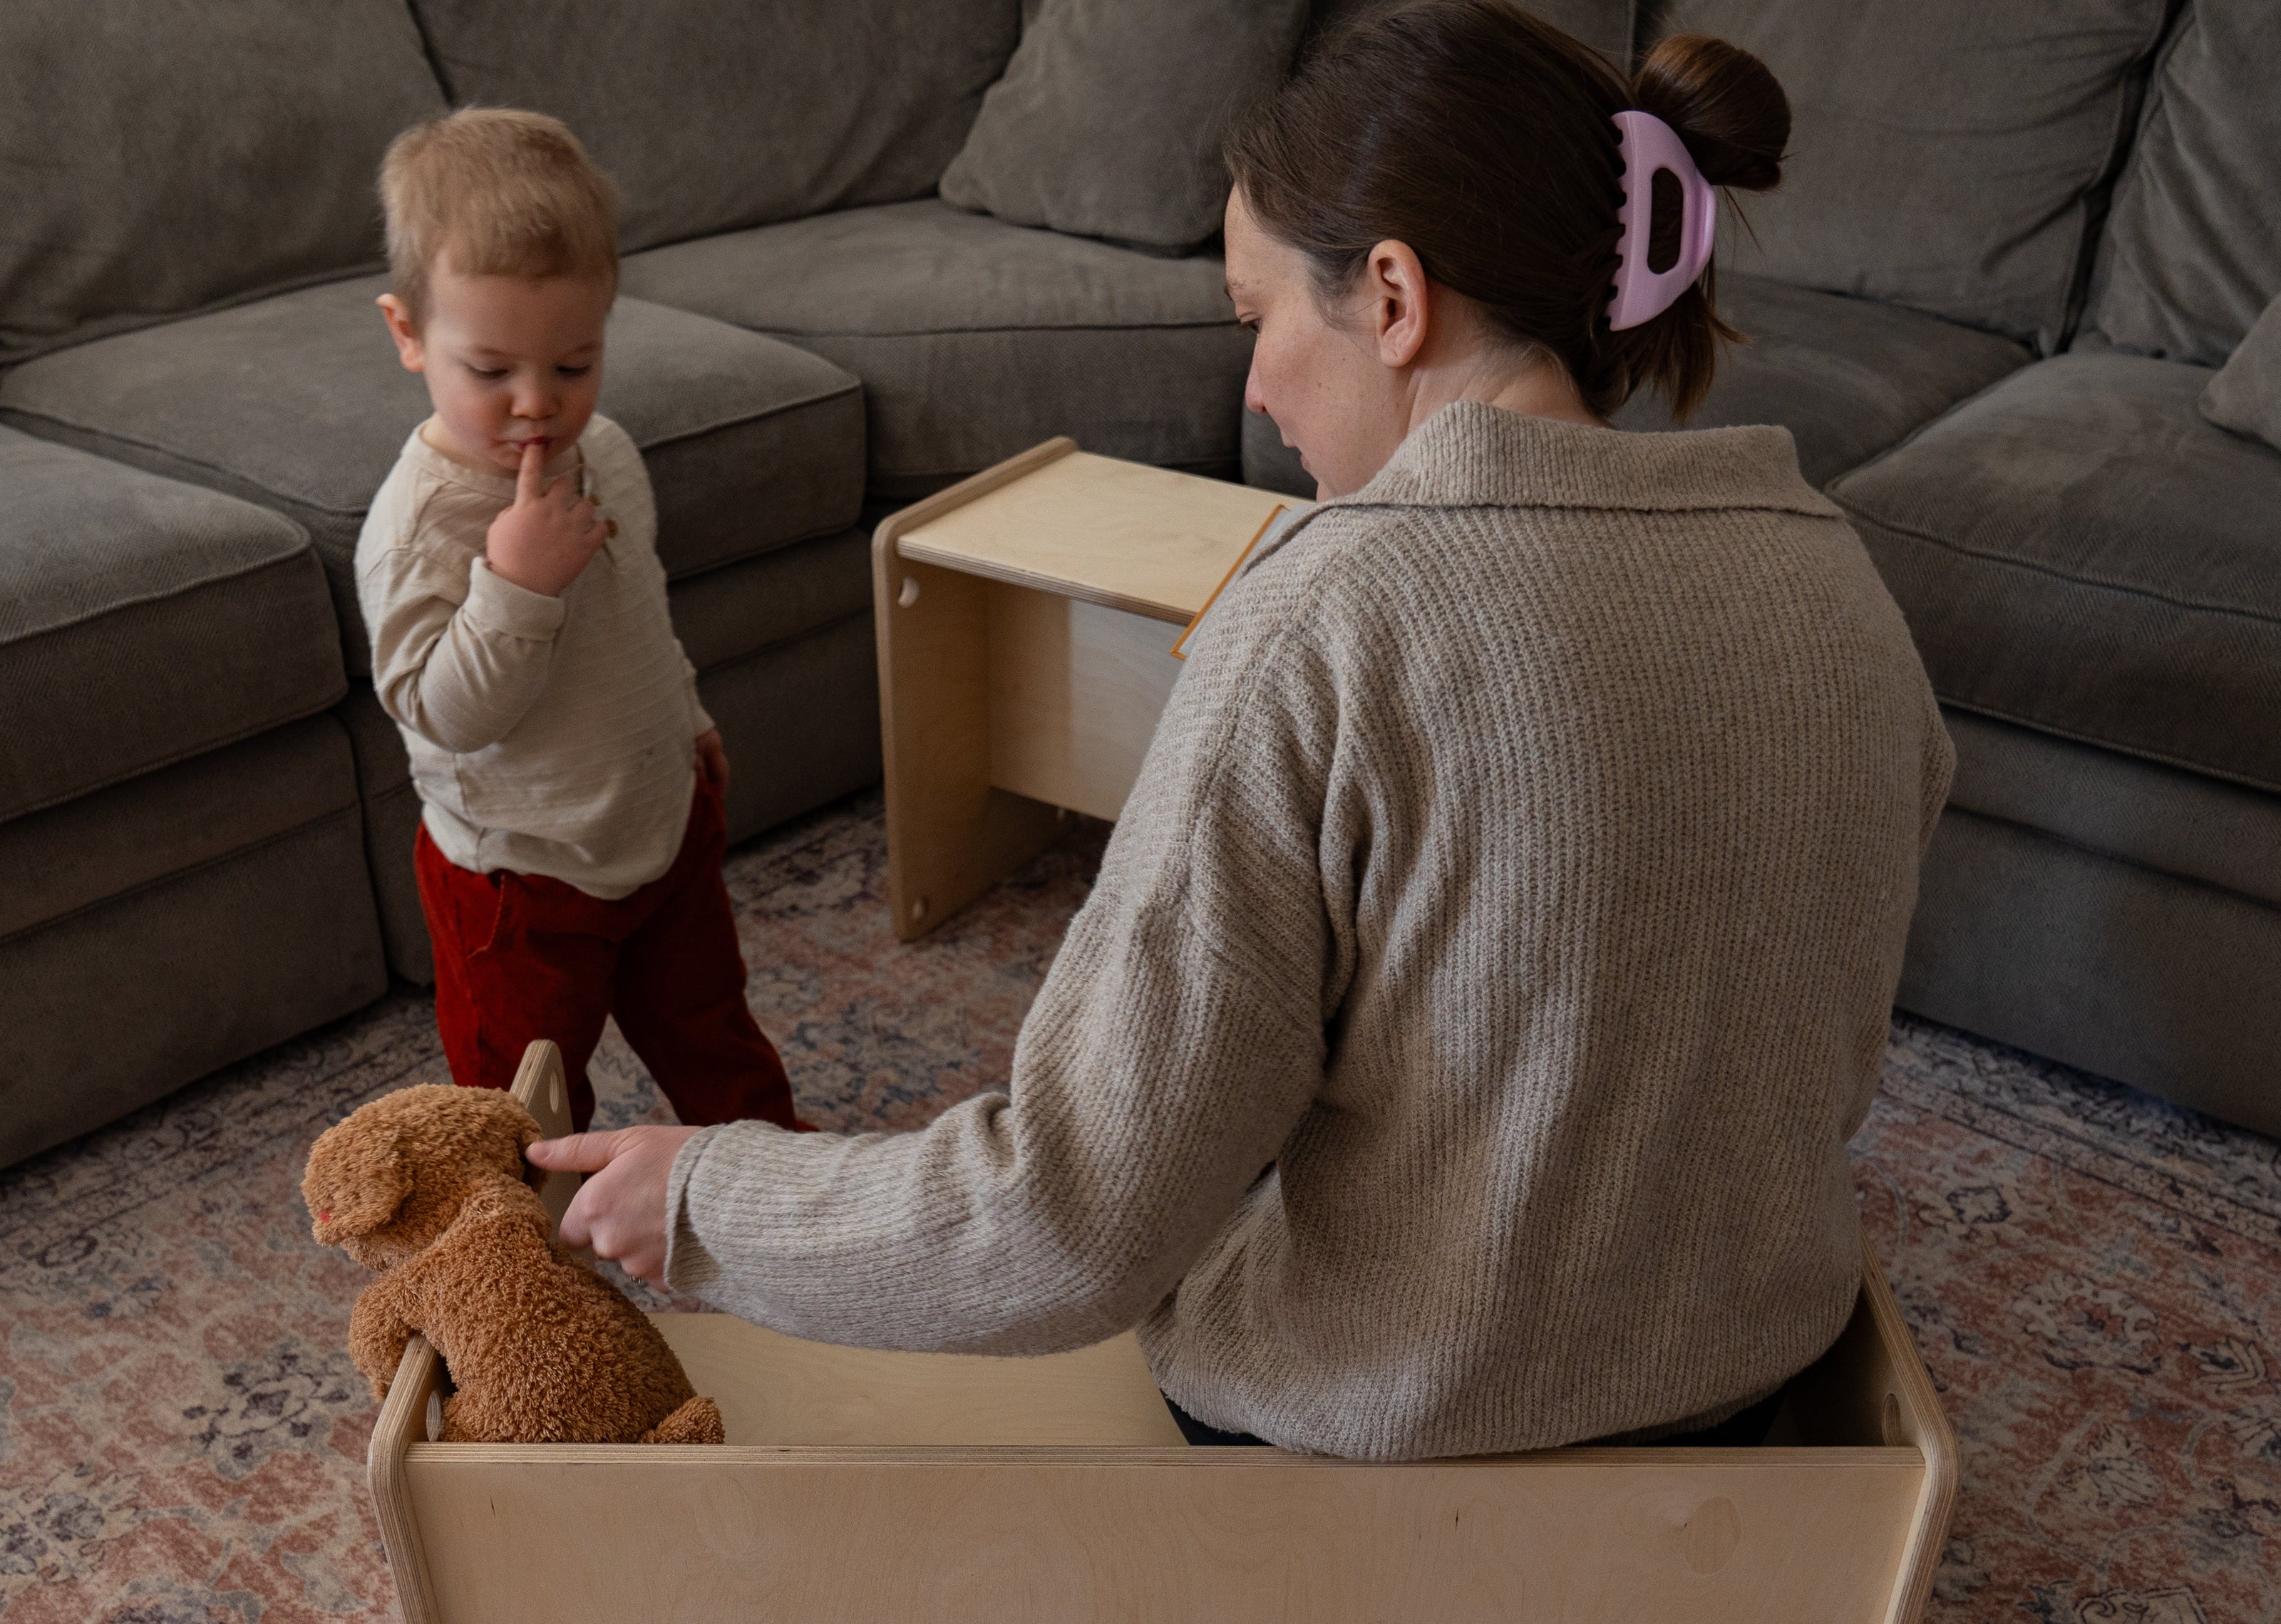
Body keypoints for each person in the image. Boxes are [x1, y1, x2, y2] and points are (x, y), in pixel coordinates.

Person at [535, 1, 1954, 1462]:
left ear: (1393, 297)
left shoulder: (1331, 610)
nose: (1259, 387)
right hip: (1744, 1400)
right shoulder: (1832, 575)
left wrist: (708, 1197)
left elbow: (1067, 1224)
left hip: (1397, 1435)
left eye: (1257, 317)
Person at [358, 108, 803, 1136]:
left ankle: (784, 1208)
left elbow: (640, 607)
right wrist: (516, 588)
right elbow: (440, 713)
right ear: (409, 335)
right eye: (492, 370)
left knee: (716, 1037)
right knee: (520, 1121)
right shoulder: (421, 527)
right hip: (521, 880)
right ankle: (520, 1276)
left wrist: (687, 718)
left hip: (657, 821)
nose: (537, 405)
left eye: (572, 365)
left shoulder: (606, 451)